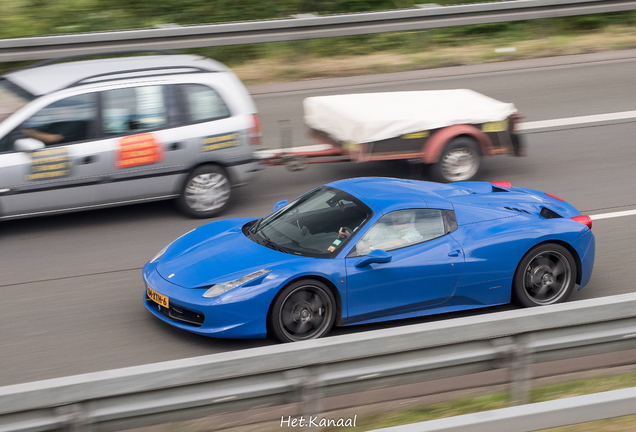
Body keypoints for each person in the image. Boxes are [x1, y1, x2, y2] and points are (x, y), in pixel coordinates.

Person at [356, 210, 423, 255]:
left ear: (408, 219)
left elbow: (398, 243)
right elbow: (380, 242)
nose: (392, 219)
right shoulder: (393, 231)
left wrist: (371, 248)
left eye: (396, 217)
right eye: (393, 217)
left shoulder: (415, 235)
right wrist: (365, 244)